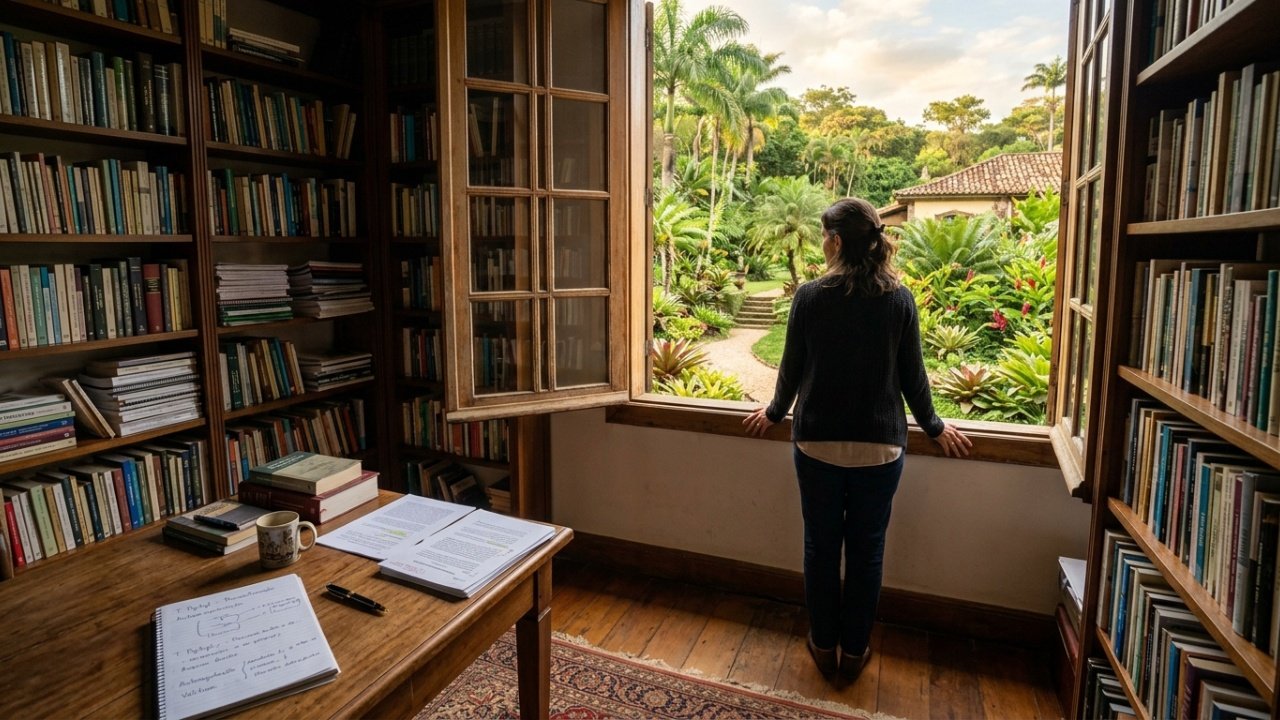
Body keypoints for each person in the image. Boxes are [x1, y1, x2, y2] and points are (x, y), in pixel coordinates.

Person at [743, 197, 971, 684]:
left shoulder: (810, 297)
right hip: (881, 449)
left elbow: (791, 369)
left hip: (816, 444)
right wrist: (934, 427)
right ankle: (854, 651)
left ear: (835, 241)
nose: (822, 243)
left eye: (824, 235)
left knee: (820, 549)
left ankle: (823, 645)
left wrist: (774, 413)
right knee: (867, 553)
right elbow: (913, 377)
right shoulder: (899, 299)